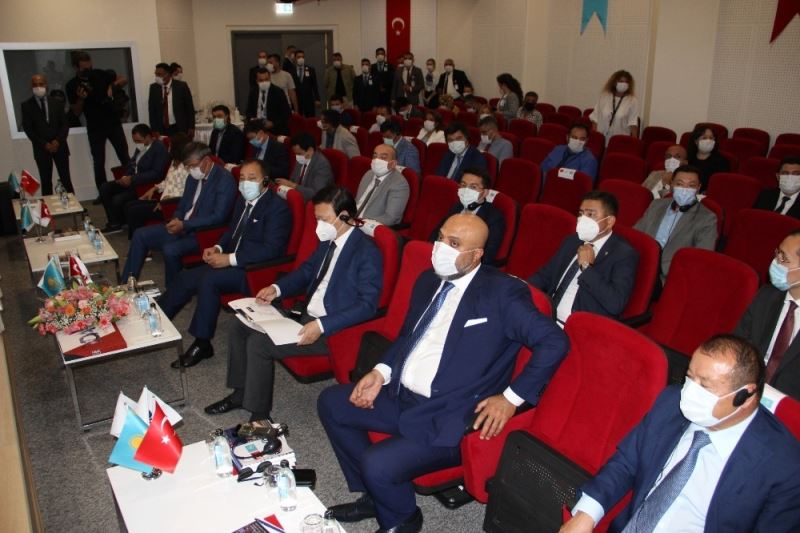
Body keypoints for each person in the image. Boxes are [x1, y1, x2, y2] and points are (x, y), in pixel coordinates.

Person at [318, 213, 569, 533]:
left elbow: (554, 341)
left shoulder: (502, 293)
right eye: (440, 237)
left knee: (378, 464)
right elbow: (408, 336)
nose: (440, 248)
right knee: (332, 403)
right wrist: (381, 372)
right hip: (403, 396)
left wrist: (511, 398)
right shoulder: (428, 280)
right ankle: (376, 497)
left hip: (451, 414)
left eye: (454, 243)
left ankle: (402, 519)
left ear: (476, 255)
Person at [561, 334, 800, 533]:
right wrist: (586, 513)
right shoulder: (671, 402)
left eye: (705, 385)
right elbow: (626, 462)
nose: (690, 391)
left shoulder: (785, 468)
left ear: (744, 397)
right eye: (690, 377)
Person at [205, 186, 383, 421]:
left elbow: (367, 305)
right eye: (317, 219)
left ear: (344, 217)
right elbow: (307, 271)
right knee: (240, 324)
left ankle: (260, 418)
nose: (319, 225)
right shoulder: (329, 239)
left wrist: (321, 325)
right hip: (303, 314)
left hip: (331, 330)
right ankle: (240, 394)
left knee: (259, 343)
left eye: (324, 219)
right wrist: (276, 289)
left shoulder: (367, 252)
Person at [160, 158, 291, 369]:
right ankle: (158, 321)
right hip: (231, 259)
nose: (245, 183)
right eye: (242, 178)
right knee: (186, 277)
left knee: (209, 280)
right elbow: (231, 231)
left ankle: (202, 343)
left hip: (253, 270)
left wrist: (229, 259)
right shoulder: (243, 200)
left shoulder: (277, 208)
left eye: (252, 178)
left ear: (265, 181)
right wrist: (218, 248)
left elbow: (272, 250)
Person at [120, 142, 237, 285]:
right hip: (183, 226)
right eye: (187, 167)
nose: (190, 170)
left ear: (206, 161)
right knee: (140, 235)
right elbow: (182, 205)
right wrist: (175, 219)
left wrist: (184, 224)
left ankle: (173, 290)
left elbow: (218, 217)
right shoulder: (193, 177)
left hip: (203, 234)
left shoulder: (224, 180)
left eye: (192, 166)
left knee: (170, 250)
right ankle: (126, 285)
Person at [530, 191, 638, 325]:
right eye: (581, 214)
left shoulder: (624, 254)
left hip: (577, 326)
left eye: (590, 215)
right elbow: (545, 275)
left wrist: (586, 268)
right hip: (546, 315)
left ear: (610, 221)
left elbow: (615, 304)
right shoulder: (572, 241)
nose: (583, 220)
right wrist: (522, 289)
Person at [734, 229, 800, 401]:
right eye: (778, 253)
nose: (776, 262)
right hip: (747, 390)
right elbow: (738, 344)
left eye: (784, 259)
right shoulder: (767, 296)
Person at [634, 165, 717, 281]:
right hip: (639, 265)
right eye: (680, 184)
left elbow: (701, 258)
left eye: (691, 186)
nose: (685, 190)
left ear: (698, 188)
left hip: (669, 276)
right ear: (672, 184)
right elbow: (636, 234)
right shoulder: (656, 205)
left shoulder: (707, 218)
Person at [66, 50, 130, 197]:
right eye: (84, 68)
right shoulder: (72, 85)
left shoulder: (100, 74)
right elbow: (76, 112)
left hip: (113, 121)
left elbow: (123, 79)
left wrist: (112, 86)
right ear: (76, 67)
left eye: (89, 66)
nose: (88, 70)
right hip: (95, 125)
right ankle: (103, 193)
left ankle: (132, 185)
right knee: (99, 160)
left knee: (124, 155)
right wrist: (81, 98)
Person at [99, 124, 170, 232]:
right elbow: (132, 164)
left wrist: (132, 179)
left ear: (148, 136)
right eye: (135, 141)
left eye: (139, 140)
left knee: (118, 199)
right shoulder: (141, 147)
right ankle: (114, 223)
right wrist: (125, 176)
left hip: (143, 185)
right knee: (105, 187)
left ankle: (118, 223)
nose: (137, 143)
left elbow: (156, 173)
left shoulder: (158, 148)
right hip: (132, 180)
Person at [429, 168, 506, 265]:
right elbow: (436, 234)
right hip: (441, 257)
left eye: (473, 187)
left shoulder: (494, 218)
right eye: (463, 185)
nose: (466, 190)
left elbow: (487, 257)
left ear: (485, 192)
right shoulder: (457, 207)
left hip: (465, 265)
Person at [124, 133, 190, 238]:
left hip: (171, 205)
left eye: (170, 145)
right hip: (163, 200)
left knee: (134, 211)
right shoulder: (174, 162)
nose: (168, 147)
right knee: (130, 205)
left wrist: (165, 202)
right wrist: (154, 188)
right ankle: (137, 240)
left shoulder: (187, 166)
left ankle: (138, 241)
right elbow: (167, 181)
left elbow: (187, 191)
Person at [21, 74, 72, 195]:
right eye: (35, 84)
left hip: (60, 146)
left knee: (66, 179)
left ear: (46, 85)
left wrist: (57, 141)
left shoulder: (57, 103)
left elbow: (64, 125)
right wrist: (44, 144)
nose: (38, 87)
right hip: (41, 149)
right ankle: (48, 206)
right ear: (31, 87)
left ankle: (73, 204)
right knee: (46, 181)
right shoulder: (26, 105)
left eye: (40, 84)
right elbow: (29, 129)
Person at [354, 144, 410, 226]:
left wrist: (362, 223)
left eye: (383, 158)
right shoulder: (368, 174)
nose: (377, 160)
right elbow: (357, 201)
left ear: (393, 163)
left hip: (369, 226)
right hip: (351, 219)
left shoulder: (399, 184)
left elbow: (391, 218)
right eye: (375, 156)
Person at [277, 133, 334, 201]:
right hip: (297, 197)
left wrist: (292, 185)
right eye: (295, 154)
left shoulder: (322, 165)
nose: (297, 156)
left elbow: (316, 193)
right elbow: (293, 180)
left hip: (313, 202)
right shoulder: (302, 158)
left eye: (299, 154)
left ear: (310, 150)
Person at [588, 70, 640, 140]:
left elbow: (633, 123)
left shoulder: (632, 100)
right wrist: (594, 137)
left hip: (619, 140)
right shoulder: (604, 96)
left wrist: (634, 141)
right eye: (621, 81)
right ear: (615, 82)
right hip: (601, 138)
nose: (623, 84)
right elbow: (595, 118)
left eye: (626, 82)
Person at [148, 62, 195, 137]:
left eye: (159, 74)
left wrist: (191, 126)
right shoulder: (154, 88)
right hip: (161, 128)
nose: (157, 77)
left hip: (179, 126)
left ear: (168, 74)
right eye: (156, 74)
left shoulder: (181, 86)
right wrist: (154, 129)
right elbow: (152, 110)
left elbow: (189, 108)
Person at [246, 68, 290, 135]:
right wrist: (252, 119)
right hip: (257, 127)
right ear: (256, 81)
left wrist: (273, 123)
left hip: (274, 128)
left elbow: (286, 114)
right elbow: (248, 111)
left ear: (270, 79)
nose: (264, 82)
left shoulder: (278, 92)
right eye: (261, 80)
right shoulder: (253, 92)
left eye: (266, 80)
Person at [688, 126, 730, 191]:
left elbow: (722, 184)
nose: (708, 141)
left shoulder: (721, 161)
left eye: (711, 138)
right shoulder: (689, 158)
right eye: (704, 138)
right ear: (696, 141)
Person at [292, 49, 320, 118]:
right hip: (296, 100)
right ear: (295, 58)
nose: (301, 59)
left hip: (309, 99)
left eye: (302, 57)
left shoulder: (311, 70)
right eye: (299, 57)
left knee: (310, 118)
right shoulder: (291, 71)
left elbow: (315, 85)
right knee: (297, 119)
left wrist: (317, 99)